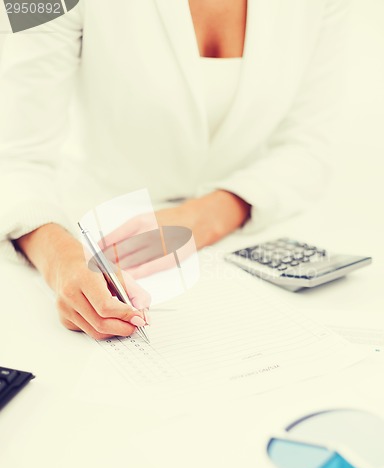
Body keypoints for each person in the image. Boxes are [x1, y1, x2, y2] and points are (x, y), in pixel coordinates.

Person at [0, 0, 348, 340]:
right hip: (88, 249)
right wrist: (62, 260)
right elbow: (15, 156)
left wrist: (204, 217)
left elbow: (309, 146)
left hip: (254, 239)